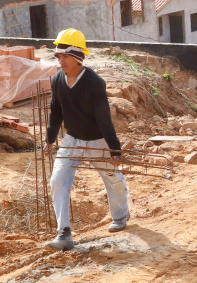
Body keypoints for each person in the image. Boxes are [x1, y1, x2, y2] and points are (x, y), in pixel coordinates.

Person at [43, 29, 131, 251]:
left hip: (98, 139)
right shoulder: (57, 80)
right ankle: (64, 233)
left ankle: (120, 216)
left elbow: (104, 119)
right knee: (58, 180)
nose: (60, 61)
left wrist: (115, 149)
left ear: (77, 56)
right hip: (72, 140)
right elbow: (55, 112)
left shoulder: (94, 83)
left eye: (64, 56)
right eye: (58, 57)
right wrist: (50, 139)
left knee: (112, 178)